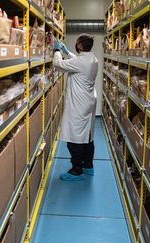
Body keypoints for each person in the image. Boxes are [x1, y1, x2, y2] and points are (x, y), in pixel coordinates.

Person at [53, 33, 99, 181]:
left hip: (79, 105)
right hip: (88, 102)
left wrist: (57, 51)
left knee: (74, 138)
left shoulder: (81, 62)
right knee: (87, 136)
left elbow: (58, 64)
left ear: (79, 45)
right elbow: (78, 61)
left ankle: (77, 169)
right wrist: (67, 52)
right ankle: (88, 166)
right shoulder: (93, 59)